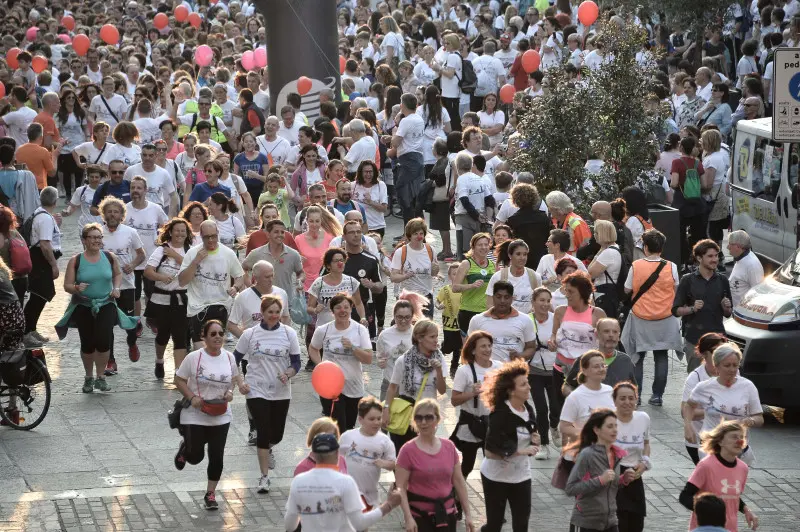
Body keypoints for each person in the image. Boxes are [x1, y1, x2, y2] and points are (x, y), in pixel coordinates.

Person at [173, 320, 246, 511]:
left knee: (217, 456)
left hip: (220, 414)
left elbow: (233, 380)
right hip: (195, 414)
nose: (218, 337)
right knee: (195, 456)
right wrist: (191, 396)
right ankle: (185, 448)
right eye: (213, 334)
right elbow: (179, 380)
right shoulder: (194, 358)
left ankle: (210, 493)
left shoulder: (229, 357)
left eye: (221, 333)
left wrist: (230, 392)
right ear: (203, 337)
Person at [233, 294, 300, 494]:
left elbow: (296, 362)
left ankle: (269, 447)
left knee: (276, 434)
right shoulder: (250, 334)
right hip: (256, 388)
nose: (274, 315)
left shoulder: (289, 334)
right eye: (270, 312)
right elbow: (233, 360)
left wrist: (288, 373)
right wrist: (240, 383)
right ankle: (264, 477)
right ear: (261, 313)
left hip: (280, 390)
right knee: (262, 430)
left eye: (277, 312)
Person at [55, 223, 132, 393]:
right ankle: (88, 377)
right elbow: (67, 285)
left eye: (99, 237)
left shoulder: (109, 257)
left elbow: (117, 274)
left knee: (104, 341)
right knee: (88, 343)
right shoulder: (76, 260)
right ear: (84, 240)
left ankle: (101, 377)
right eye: (93, 237)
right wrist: (76, 288)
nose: (97, 241)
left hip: (106, 304)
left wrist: (116, 288)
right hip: (84, 306)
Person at [285, 432, 401, 531]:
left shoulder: (298, 482)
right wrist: (389, 505)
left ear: (314, 454)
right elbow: (360, 523)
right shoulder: (346, 482)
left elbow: (290, 526)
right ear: (337, 454)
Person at [622, 229, 683, 405]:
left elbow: (627, 289)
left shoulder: (636, 265)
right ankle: (657, 396)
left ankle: (637, 395)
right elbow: (676, 289)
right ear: (661, 247)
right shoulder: (671, 266)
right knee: (661, 356)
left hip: (640, 317)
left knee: (638, 357)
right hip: (665, 318)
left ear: (646, 247)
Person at [395, 398, 475, 532]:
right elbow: (400, 487)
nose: (423, 422)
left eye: (429, 417)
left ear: (438, 419)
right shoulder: (407, 450)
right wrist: (408, 518)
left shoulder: (449, 446)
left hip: (447, 515)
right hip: (420, 517)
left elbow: (459, 481)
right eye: (419, 418)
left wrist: (468, 515)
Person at [480, 359, 539, 532]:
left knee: (521, 525)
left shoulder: (528, 408)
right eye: (523, 385)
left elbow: (530, 431)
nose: (529, 387)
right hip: (496, 477)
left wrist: (535, 438)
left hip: (521, 476)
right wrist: (520, 451)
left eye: (527, 382)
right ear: (511, 391)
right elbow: (489, 451)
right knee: (495, 525)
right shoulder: (499, 414)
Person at [686, 343, 764, 466]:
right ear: (717, 366)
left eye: (735, 365)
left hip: (737, 447)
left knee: (733, 484)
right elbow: (689, 406)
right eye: (727, 365)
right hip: (711, 446)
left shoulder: (748, 387)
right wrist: (688, 427)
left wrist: (751, 421)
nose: (732, 369)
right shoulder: (704, 387)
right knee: (713, 482)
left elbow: (759, 418)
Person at [679, 421, 759, 532]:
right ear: (721, 441)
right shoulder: (706, 465)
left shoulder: (743, 468)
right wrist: (705, 511)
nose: (739, 441)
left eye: (742, 437)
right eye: (734, 437)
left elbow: (731, 496)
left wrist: (746, 510)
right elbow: (684, 496)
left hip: (730, 529)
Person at [308, 293, 372, 433]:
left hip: (354, 386)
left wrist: (353, 348)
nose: (342, 311)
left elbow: (368, 358)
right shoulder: (323, 330)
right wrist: (321, 366)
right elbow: (313, 348)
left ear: (351, 309)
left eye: (346, 307)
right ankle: (336, 454)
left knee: (349, 427)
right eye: (338, 307)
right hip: (330, 386)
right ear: (332, 311)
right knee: (338, 428)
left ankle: (343, 453)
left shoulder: (360, 330)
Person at [178, 220, 245, 350]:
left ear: (218, 234)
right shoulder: (192, 254)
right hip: (198, 307)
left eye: (213, 236)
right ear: (201, 236)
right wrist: (196, 262)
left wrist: (235, 287)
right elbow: (182, 281)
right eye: (207, 237)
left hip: (221, 305)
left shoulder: (227, 253)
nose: (211, 240)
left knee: (216, 347)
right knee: (199, 349)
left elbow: (240, 276)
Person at [382, 320, 447, 452]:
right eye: (432, 336)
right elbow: (392, 388)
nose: (436, 340)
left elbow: (442, 390)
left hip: (428, 415)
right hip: (406, 414)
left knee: (423, 453)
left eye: (436, 336)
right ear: (419, 338)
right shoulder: (403, 360)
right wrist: (386, 409)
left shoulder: (439, 359)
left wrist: (439, 371)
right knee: (402, 453)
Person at [673, 240, 733, 372]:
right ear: (699, 258)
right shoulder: (688, 280)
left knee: (718, 378)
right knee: (695, 379)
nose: (715, 259)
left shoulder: (722, 280)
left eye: (716, 256)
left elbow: (728, 313)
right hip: (694, 339)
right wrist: (692, 309)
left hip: (718, 339)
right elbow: (676, 310)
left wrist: (726, 307)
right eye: (710, 256)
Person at [143, 218, 192, 377]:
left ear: (187, 234)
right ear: (170, 232)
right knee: (163, 334)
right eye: (177, 230)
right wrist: (161, 277)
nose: (180, 234)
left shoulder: (189, 250)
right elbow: (148, 271)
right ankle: (159, 360)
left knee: (180, 336)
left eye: (183, 231)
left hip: (181, 300)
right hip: (161, 299)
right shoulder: (161, 250)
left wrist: (176, 256)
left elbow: (194, 270)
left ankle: (178, 373)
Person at [451, 331, 502, 479]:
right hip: (472, 423)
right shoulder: (464, 371)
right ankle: (456, 495)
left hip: (493, 423)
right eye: (483, 346)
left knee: (494, 464)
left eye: (489, 345)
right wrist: (471, 393)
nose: (487, 349)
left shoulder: (499, 367)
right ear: (473, 350)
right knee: (467, 464)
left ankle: (494, 495)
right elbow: (454, 400)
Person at [564, 409, 623, 532]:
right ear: (597, 430)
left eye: (616, 426)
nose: (615, 430)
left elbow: (609, 485)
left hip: (611, 522)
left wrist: (623, 480)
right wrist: (600, 480)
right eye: (610, 426)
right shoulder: (587, 455)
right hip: (586, 523)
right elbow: (571, 488)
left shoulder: (616, 454)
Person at [338, 397, 397, 510]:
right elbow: (337, 458)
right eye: (371, 419)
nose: (376, 422)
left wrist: (383, 463)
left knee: (363, 525)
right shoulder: (348, 436)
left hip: (369, 494)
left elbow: (393, 464)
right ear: (360, 419)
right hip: (348, 490)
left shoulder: (385, 441)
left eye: (379, 418)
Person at [23, 187, 63, 347]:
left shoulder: (42, 215)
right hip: (41, 260)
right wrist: (54, 265)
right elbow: (45, 245)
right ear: (55, 201)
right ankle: (26, 332)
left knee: (39, 297)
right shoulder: (45, 218)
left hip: (38, 259)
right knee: (39, 296)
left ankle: (31, 329)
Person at [559, 350, 616, 457]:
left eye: (603, 366)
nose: (601, 369)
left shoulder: (610, 391)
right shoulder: (575, 396)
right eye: (596, 366)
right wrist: (587, 434)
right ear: (584, 370)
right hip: (580, 455)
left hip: (606, 454)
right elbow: (564, 427)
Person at [682, 333, 727, 465]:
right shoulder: (695, 378)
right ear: (703, 354)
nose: (721, 355)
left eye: (723, 350)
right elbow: (685, 412)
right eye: (715, 351)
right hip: (700, 441)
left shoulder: (732, 372)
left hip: (726, 439)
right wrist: (714, 410)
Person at [613, 382, 652, 532]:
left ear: (636, 399)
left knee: (636, 523)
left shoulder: (643, 418)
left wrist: (644, 463)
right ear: (615, 401)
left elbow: (647, 443)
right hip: (615, 472)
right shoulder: (608, 420)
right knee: (619, 523)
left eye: (631, 398)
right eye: (622, 398)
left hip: (635, 474)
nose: (627, 402)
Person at [467, 280, 536, 364]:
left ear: (512, 298)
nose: (502, 301)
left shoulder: (525, 320)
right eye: (498, 297)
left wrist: (520, 356)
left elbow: (531, 347)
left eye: (506, 297)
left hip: (514, 373)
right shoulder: (477, 320)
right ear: (493, 297)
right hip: (485, 374)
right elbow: (468, 348)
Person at [563, 318, 637, 395]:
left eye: (615, 332)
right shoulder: (585, 359)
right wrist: (578, 399)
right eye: (606, 331)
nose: (611, 335)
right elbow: (567, 386)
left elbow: (633, 389)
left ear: (619, 336)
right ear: (597, 334)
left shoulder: (626, 361)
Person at [387, 93, 426, 226]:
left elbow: (396, 142)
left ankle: (409, 232)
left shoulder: (406, 120)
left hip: (408, 160)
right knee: (414, 197)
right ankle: (415, 230)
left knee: (404, 196)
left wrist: (393, 133)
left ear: (402, 105)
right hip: (418, 158)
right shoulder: (419, 118)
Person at [307, 247, 367, 331]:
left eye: (342, 260)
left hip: (345, 329)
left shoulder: (351, 281)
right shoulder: (319, 283)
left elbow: (358, 303)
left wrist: (363, 318)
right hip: (325, 329)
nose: (340, 263)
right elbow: (309, 308)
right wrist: (315, 310)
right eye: (336, 261)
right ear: (328, 265)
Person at [390, 218, 440, 318]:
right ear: (409, 235)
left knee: (425, 329)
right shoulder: (401, 252)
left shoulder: (430, 250)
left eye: (421, 233)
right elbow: (393, 277)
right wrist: (405, 276)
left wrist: (436, 268)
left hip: (426, 296)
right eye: (415, 234)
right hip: (408, 296)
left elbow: (434, 274)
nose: (419, 236)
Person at [671, 136, 708, 269]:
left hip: (681, 202)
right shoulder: (698, 163)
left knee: (680, 233)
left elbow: (674, 182)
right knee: (698, 233)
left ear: (681, 147)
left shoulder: (677, 162)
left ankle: (683, 261)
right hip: (697, 204)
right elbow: (704, 184)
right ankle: (698, 261)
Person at [242, 219, 304, 295]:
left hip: (286, 301)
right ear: (268, 234)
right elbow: (242, 269)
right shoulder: (257, 253)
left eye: (282, 232)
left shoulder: (293, 254)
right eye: (276, 232)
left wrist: (300, 280)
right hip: (262, 302)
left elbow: (301, 272)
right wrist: (250, 287)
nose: (280, 235)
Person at [453, 233, 496, 337]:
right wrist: (471, 285)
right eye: (480, 245)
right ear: (473, 247)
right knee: (468, 349)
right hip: (468, 311)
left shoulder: (492, 264)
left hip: (486, 312)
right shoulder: (466, 264)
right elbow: (455, 288)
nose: (484, 247)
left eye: (486, 245)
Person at [453, 153, 495, 257]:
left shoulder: (461, 179)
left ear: (457, 166)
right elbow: (490, 199)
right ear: (471, 165)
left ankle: (464, 270)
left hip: (464, 218)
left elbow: (464, 200)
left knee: (464, 251)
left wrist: (476, 215)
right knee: (478, 249)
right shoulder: (479, 178)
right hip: (480, 218)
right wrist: (488, 217)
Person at [504, 183, 553, 269]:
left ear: (515, 199)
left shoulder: (512, 220)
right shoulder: (544, 217)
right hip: (541, 259)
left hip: (521, 260)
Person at [587, 220, 625, 318]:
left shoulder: (608, 253)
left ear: (603, 234)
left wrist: (599, 253)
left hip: (604, 295)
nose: (594, 235)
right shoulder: (613, 249)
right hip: (608, 294)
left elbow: (590, 273)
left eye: (596, 232)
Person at [727, 230, 763, 308]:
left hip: (744, 314)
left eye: (730, 244)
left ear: (738, 246)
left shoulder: (752, 265)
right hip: (736, 310)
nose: (727, 247)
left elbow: (758, 292)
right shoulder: (740, 258)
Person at [16, 123, 58, 191]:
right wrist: (55, 156)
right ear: (41, 137)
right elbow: (52, 173)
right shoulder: (43, 151)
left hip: (23, 187)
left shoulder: (19, 150)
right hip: (39, 188)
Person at [351, 160, 388, 237]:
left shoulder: (380, 185)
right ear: (361, 173)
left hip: (377, 227)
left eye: (370, 172)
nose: (368, 174)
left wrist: (370, 202)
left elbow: (384, 209)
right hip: (358, 228)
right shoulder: (353, 185)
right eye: (366, 172)